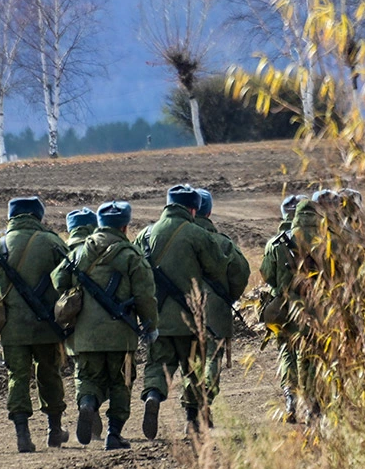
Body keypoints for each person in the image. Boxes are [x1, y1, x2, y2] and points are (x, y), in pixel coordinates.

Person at [51, 201, 158, 450]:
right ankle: (114, 434)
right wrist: (150, 326)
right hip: (121, 335)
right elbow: (145, 296)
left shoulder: (78, 252)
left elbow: (58, 278)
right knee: (122, 382)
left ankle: (88, 403)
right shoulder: (131, 255)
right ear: (124, 226)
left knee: (88, 378)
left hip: (85, 335)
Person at [136, 184, 230, 437]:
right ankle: (191, 420)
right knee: (194, 368)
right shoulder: (197, 235)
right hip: (191, 318)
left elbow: (135, 272)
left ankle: (154, 395)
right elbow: (218, 268)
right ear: (193, 209)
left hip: (157, 318)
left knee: (158, 363)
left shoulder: (145, 235)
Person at [0, 196, 70, 453]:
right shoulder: (53, 242)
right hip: (47, 327)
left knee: (17, 377)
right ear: (38, 216)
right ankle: (54, 431)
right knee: (50, 375)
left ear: (12, 216)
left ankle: (22, 434)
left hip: (12, 329)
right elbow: (69, 281)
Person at [260, 197, 331, 423]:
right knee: (315, 355)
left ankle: (291, 397)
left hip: (287, 309)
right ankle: (314, 403)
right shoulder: (329, 240)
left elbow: (267, 275)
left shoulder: (277, 243)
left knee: (287, 351)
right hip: (321, 308)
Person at [193, 188, 251, 427]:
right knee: (212, 358)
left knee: (189, 359)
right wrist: (227, 297)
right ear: (209, 211)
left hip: (181, 308)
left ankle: (191, 407)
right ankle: (206, 397)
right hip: (216, 309)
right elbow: (241, 273)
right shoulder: (223, 242)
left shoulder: (176, 238)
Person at [63, 207, 104, 440]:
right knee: (111, 373)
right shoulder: (106, 248)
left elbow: (56, 283)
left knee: (83, 372)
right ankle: (98, 404)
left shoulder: (64, 252)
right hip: (109, 325)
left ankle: (87, 402)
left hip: (76, 327)